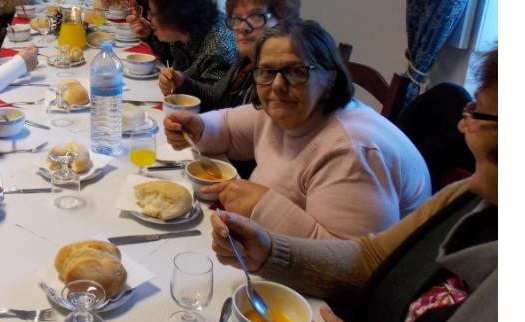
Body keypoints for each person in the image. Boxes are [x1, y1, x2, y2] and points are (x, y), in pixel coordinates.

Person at [210, 49, 498, 322]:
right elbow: (374, 258)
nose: (462, 126)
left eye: (478, 113)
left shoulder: (354, 147)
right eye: (266, 72)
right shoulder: (466, 198)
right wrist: (272, 252)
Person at [165, 19, 431, 239]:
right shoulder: (283, 111)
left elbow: (350, 263)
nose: (277, 85)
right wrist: (199, 127)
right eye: (267, 72)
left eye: (295, 71)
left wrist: (262, 206)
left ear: (330, 79)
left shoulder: (352, 151)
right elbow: (228, 127)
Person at [161, 0, 301, 112]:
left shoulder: (284, 81)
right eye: (237, 18)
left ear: (284, 20)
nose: (243, 27)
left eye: (256, 16)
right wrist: (182, 83)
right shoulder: (245, 60)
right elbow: (215, 95)